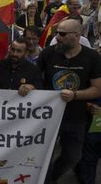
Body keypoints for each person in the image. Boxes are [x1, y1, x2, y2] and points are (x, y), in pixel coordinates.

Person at [38, 19, 101, 184]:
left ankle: (50, 178)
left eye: (62, 34)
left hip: (76, 118)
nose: (57, 37)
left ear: (77, 36)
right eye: (57, 32)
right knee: (41, 156)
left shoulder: (92, 57)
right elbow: (36, 79)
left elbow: (97, 89)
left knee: (73, 157)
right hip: (48, 116)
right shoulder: (48, 53)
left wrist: (75, 95)